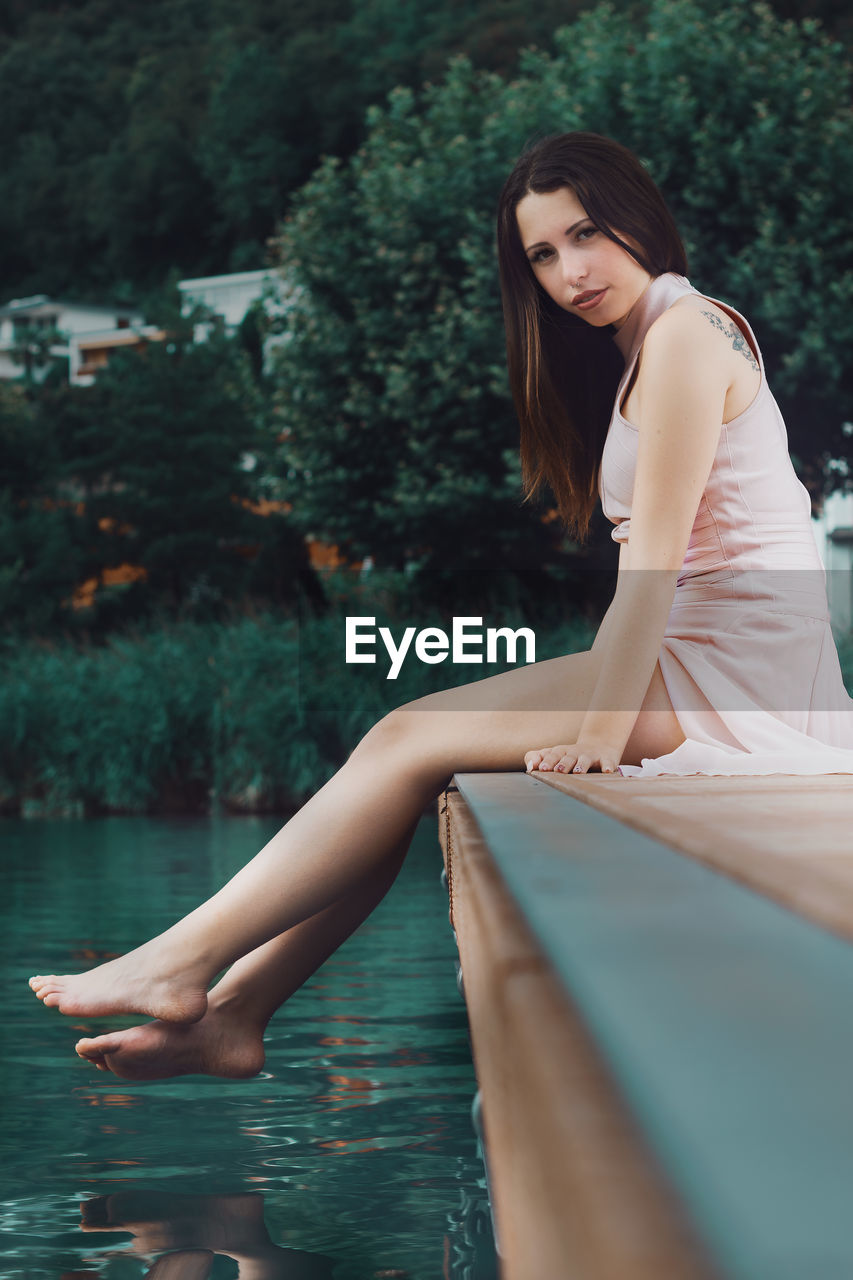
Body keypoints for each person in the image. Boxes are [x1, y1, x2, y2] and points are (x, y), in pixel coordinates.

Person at [29, 132, 853, 1080]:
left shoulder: (683, 335)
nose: (569, 272)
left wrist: (599, 729)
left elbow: (654, 566)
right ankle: (233, 1011)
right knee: (409, 748)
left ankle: (185, 966)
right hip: (710, 654)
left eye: (584, 234)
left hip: (739, 669)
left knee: (405, 739)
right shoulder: (645, 343)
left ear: (639, 217)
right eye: (541, 255)